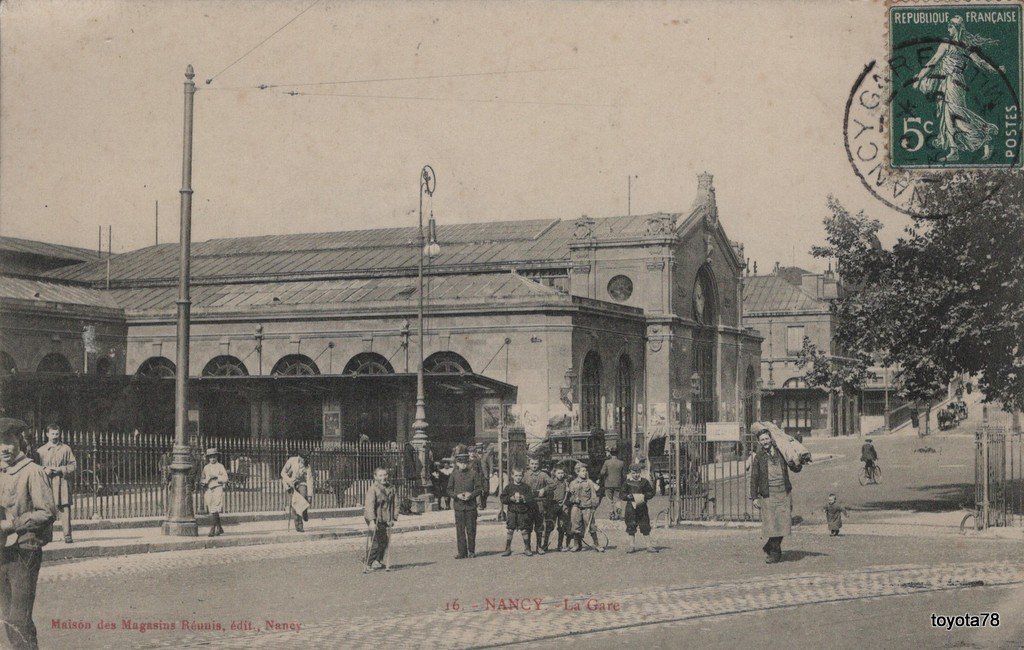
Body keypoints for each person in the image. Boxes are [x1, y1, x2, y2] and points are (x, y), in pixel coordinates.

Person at [0, 418, 58, 650]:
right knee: (7, 615)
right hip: (3, 551)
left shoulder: (33, 471)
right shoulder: (2, 472)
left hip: (25, 550)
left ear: (19, 442)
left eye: (8, 441)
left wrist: (12, 524)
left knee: (18, 616)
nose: (4, 448)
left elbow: (47, 512)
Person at [912, 16, 1000, 162]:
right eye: (948, 26)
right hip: (946, 82)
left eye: (951, 26)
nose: (948, 29)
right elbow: (933, 62)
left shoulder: (959, 45)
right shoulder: (954, 44)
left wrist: (996, 70)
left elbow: (980, 62)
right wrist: (919, 77)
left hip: (954, 82)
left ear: (957, 28)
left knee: (956, 115)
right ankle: (955, 150)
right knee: (948, 117)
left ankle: (984, 134)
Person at [749, 429, 802, 563]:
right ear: (759, 442)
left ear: (771, 439)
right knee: (772, 525)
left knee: (784, 523)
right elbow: (754, 477)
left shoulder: (781, 451)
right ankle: (775, 553)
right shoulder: (759, 457)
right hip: (768, 494)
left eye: (767, 439)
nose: (765, 442)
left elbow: (795, 468)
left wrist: (797, 462)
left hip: (783, 492)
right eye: (762, 440)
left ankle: (769, 546)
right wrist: (754, 496)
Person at [36, 424, 76, 544]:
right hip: (47, 482)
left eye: (57, 434)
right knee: (48, 508)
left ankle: (67, 535)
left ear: (60, 434)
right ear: (47, 434)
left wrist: (61, 469)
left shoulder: (66, 449)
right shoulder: (40, 451)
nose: (54, 436)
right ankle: (48, 536)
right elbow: (35, 468)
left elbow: (73, 465)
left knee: (65, 507)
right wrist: (44, 469)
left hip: (62, 482)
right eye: (52, 434)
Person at [447, 452, 485, 559]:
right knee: (460, 530)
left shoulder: (473, 474)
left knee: (471, 529)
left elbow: (479, 488)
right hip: (459, 506)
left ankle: (471, 551)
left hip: (470, 506)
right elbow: (449, 489)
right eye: (460, 463)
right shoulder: (454, 475)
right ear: (457, 463)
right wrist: (456, 495)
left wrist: (471, 495)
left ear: (468, 463)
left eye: (465, 463)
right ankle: (461, 552)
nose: (463, 465)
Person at [363, 467, 397, 573]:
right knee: (376, 542)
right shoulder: (373, 489)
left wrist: (393, 517)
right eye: (380, 475)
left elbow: (395, 504)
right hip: (374, 517)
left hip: (385, 517)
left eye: (385, 475)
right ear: (375, 477)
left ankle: (377, 560)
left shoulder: (391, 488)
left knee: (384, 541)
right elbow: (369, 506)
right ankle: (368, 562)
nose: (383, 477)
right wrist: (372, 522)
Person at [522, 456, 556, 554]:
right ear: (529, 464)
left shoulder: (543, 475)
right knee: (528, 525)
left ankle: (539, 547)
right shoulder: (525, 475)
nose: (534, 466)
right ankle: (527, 548)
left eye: (536, 464)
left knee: (539, 525)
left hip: (539, 503)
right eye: (532, 464)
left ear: (539, 464)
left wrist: (544, 489)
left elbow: (553, 484)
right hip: (528, 503)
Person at [499, 468, 535, 557]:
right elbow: (502, 498)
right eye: (516, 475)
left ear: (522, 476)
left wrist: (523, 498)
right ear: (512, 476)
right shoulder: (509, 487)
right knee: (510, 529)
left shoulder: (526, 487)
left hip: (523, 512)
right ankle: (507, 549)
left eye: (520, 476)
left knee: (524, 530)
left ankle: (527, 548)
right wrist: (510, 498)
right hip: (512, 511)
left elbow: (530, 498)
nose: (518, 477)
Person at [568, 463, 603, 552]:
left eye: (585, 471)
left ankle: (597, 544)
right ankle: (576, 545)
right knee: (575, 526)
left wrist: (594, 507)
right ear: (577, 472)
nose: (585, 472)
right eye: (583, 471)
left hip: (587, 507)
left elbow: (594, 495)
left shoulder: (589, 482)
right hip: (576, 507)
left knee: (591, 525)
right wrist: (574, 499)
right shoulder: (572, 483)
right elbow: (569, 497)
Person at [622, 462, 657, 553]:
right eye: (633, 473)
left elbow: (651, 492)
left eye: (637, 472)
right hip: (631, 508)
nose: (636, 475)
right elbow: (622, 494)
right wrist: (628, 496)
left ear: (640, 472)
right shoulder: (627, 482)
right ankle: (631, 546)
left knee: (645, 525)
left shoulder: (644, 482)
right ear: (630, 473)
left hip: (642, 507)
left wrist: (645, 496)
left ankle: (649, 546)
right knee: (631, 525)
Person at [281, 451, 314, 532]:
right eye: (303, 459)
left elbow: (309, 480)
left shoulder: (307, 466)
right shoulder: (291, 460)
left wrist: (310, 495)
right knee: (295, 504)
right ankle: (299, 525)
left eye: (306, 459)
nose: (304, 461)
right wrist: (289, 482)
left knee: (304, 497)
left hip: (302, 483)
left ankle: (304, 511)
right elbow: (283, 473)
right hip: (291, 483)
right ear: (299, 456)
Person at [199, 448, 228, 537]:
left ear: (217, 457)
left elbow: (226, 478)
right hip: (208, 489)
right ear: (208, 458)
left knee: (216, 507)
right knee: (212, 508)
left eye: (214, 457)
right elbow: (202, 478)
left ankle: (212, 528)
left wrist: (216, 476)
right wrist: (204, 481)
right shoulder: (206, 467)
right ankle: (219, 528)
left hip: (217, 488)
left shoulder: (220, 466)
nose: (212, 459)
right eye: (211, 457)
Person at [599, 450, 625, 520]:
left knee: (609, 499)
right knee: (617, 499)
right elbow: (624, 475)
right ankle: (619, 514)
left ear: (610, 454)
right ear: (617, 454)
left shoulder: (607, 462)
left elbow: (602, 472)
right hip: (618, 484)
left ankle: (612, 515)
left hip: (608, 483)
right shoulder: (621, 463)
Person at [550, 466, 572, 551]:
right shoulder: (552, 482)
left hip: (563, 506)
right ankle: (544, 545)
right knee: (550, 525)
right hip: (553, 505)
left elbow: (568, 495)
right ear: (555, 474)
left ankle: (560, 545)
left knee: (562, 526)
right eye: (558, 473)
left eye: (562, 473)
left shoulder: (565, 482)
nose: (560, 475)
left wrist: (568, 490)